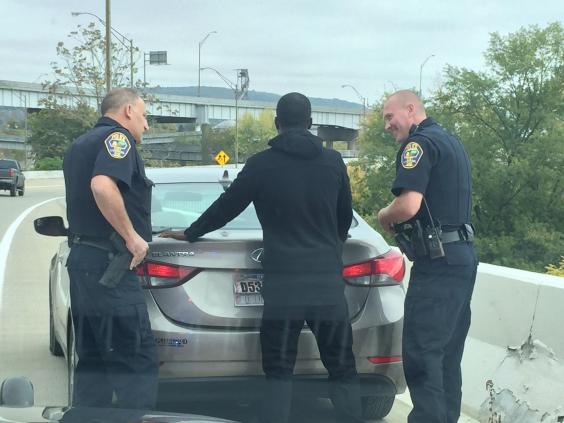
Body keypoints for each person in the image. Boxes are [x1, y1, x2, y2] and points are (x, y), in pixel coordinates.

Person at [161, 92, 362, 423]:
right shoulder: (333, 162)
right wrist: (330, 246)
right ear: (311, 123)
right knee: (342, 364)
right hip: (326, 283)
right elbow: (344, 218)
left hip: (284, 286)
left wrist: (192, 232)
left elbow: (227, 207)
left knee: (279, 368)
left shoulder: (261, 165)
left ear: (277, 123)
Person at [377, 90, 478, 423]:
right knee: (447, 355)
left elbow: (408, 205)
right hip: (462, 258)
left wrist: (384, 215)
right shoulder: (451, 142)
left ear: (410, 110)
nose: (387, 125)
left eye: (390, 117)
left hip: (438, 263)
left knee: (422, 353)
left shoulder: (418, 145)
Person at [63, 88, 158, 409]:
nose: (146, 125)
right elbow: (102, 185)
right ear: (128, 111)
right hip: (110, 268)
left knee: (93, 362)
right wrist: (132, 237)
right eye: (144, 115)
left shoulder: (80, 144)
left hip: (84, 264)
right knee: (135, 361)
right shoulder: (118, 139)